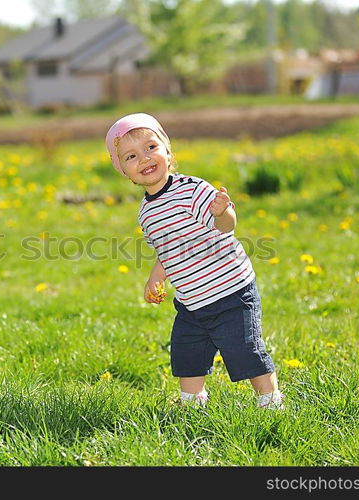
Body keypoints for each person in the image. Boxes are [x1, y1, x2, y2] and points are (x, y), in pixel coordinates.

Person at [105, 113, 284, 410]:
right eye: (131, 156)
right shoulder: (146, 213)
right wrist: (156, 277)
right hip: (191, 301)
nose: (145, 159)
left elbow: (227, 227)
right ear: (123, 169)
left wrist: (221, 212)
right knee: (187, 353)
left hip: (231, 291)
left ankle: (270, 401)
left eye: (151, 148)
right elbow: (167, 250)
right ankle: (192, 404)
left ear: (167, 150)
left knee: (244, 348)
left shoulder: (191, 190)